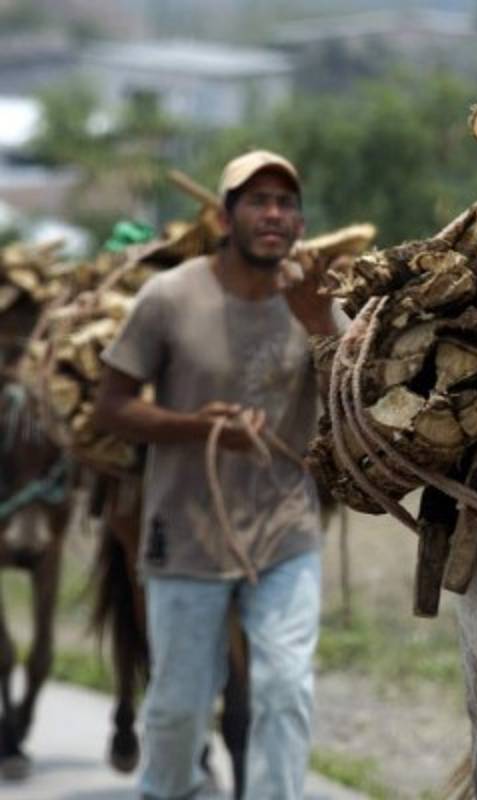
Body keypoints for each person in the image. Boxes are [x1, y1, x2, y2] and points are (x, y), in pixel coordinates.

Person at [95, 150, 344, 799]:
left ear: (300, 220)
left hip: (285, 534)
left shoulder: (316, 299)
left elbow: (356, 401)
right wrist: (200, 428)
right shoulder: (169, 297)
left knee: (285, 688)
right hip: (184, 532)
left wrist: (321, 324)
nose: (273, 214)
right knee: (178, 707)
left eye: (285, 203)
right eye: (257, 200)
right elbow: (112, 406)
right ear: (222, 216)